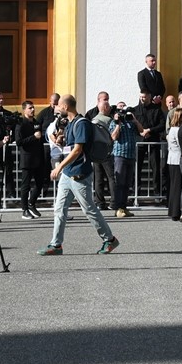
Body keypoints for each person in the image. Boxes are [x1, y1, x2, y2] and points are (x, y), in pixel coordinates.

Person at [37, 107, 120, 256]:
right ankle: (56, 245)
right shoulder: (69, 124)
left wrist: (59, 167)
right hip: (68, 174)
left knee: (89, 209)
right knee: (59, 209)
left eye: (58, 107)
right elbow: (70, 148)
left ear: (65, 107)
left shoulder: (81, 123)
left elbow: (78, 150)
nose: (56, 110)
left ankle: (110, 239)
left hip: (79, 174)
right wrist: (60, 141)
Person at [14, 101, 46, 219]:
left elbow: (41, 138)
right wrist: (34, 137)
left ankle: (32, 203)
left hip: (38, 157)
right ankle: (24, 209)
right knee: (25, 185)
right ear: (24, 110)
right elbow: (19, 142)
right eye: (30, 108)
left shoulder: (37, 123)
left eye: (33, 107)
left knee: (40, 183)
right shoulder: (20, 124)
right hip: (27, 158)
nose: (32, 110)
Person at [110, 104, 144, 218]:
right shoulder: (114, 123)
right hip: (120, 155)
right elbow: (113, 137)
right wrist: (118, 124)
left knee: (127, 184)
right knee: (119, 183)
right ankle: (118, 208)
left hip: (131, 155)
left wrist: (135, 120)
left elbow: (141, 131)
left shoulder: (130, 122)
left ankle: (124, 207)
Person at [166, 107, 182, 221]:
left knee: (174, 186)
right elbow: (180, 144)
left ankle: (172, 209)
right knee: (178, 186)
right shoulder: (177, 130)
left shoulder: (171, 130)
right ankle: (176, 211)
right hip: (178, 159)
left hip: (171, 159)